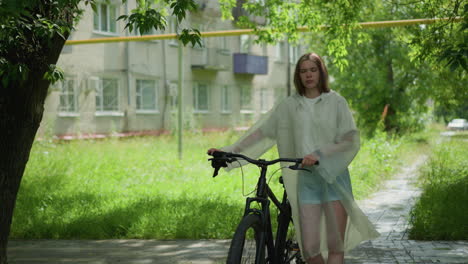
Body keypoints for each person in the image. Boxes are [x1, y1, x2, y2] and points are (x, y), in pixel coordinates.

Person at [207, 52, 379, 264]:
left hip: (333, 179)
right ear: (298, 75)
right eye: (303, 71)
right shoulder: (289, 105)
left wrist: (319, 154)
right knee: (309, 247)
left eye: (313, 70)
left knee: (335, 244)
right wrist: (230, 151)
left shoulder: (336, 102)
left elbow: (349, 139)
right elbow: (261, 132)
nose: (308, 75)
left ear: (321, 72)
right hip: (306, 180)